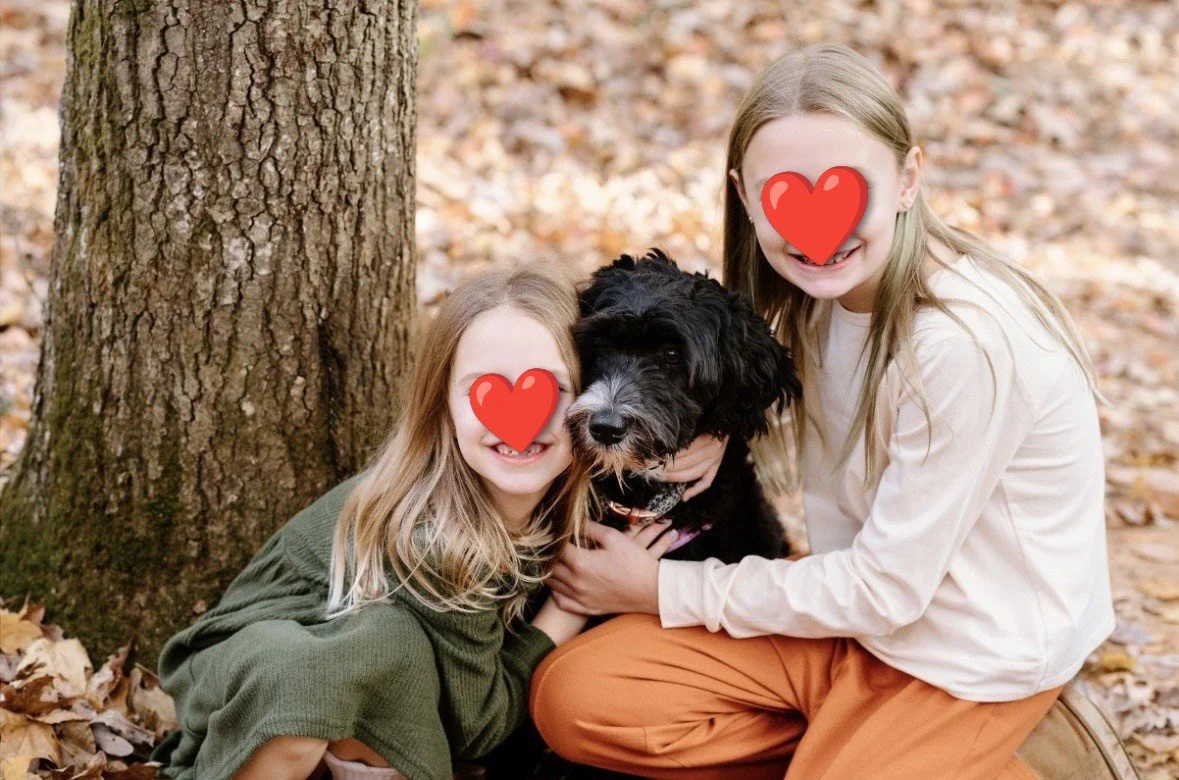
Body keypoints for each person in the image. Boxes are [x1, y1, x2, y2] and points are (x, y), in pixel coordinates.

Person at [531, 42, 1119, 779]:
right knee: (576, 698)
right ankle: (854, 746)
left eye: (847, 189)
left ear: (907, 179)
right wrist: (714, 432)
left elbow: (886, 589)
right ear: (746, 198)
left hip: (968, 658)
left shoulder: (961, 344)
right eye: (784, 195)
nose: (820, 231)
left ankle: (1014, 757)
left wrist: (658, 589)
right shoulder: (824, 296)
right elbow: (780, 397)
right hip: (854, 629)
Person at [151, 260, 679, 780]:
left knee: (389, 652)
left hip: (349, 672)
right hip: (252, 675)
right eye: (483, 389)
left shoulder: (582, 494)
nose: (521, 422)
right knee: (361, 656)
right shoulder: (437, 536)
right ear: (442, 406)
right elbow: (479, 725)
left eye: (553, 389)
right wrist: (569, 607)